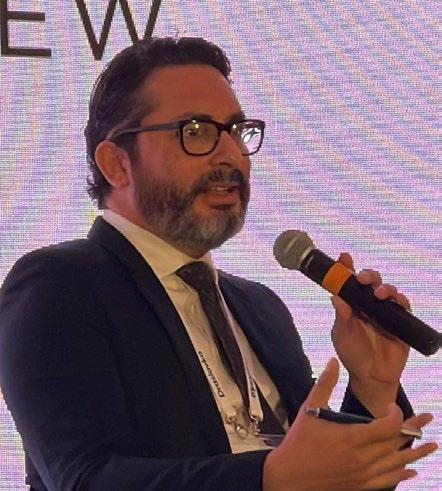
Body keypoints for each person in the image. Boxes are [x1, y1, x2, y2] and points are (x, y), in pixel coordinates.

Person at [0, 37, 437, 491]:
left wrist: (371, 385)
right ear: (116, 164)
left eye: (236, 131)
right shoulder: (60, 286)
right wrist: (268, 478)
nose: (231, 155)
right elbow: (84, 479)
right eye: (196, 131)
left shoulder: (259, 306)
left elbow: (326, 475)